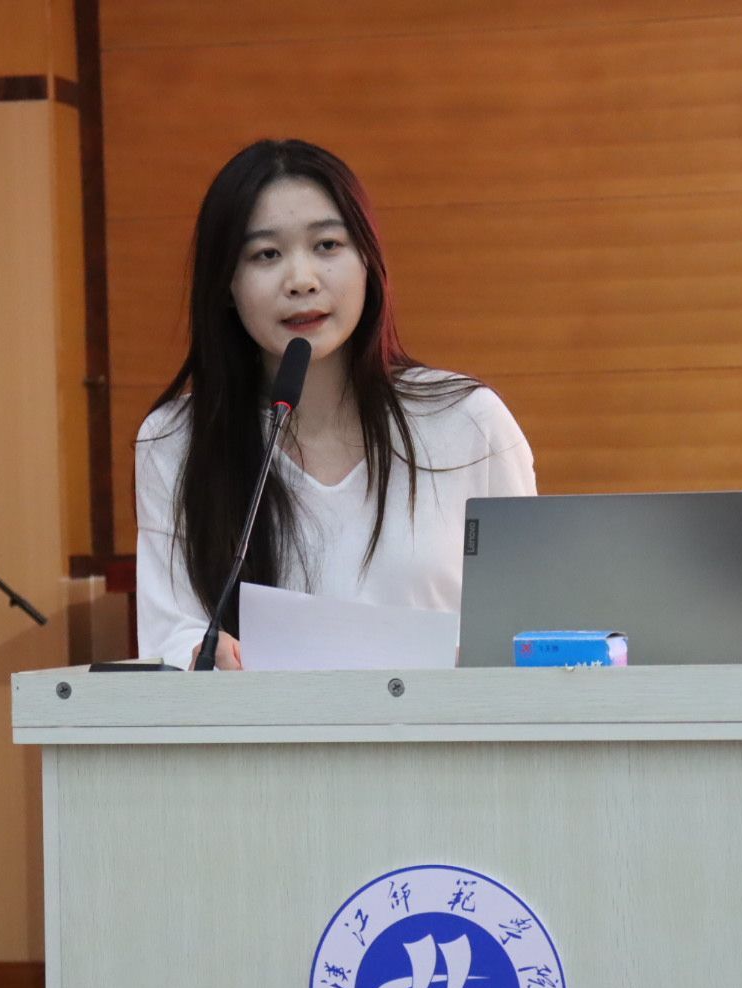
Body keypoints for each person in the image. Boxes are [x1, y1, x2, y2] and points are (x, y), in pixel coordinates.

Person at [135, 139, 536, 670]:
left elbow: (528, 629)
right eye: (266, 254)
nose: (301, 280)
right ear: (226, 284)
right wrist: (199, 657)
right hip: (264, 724)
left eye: (326, 245)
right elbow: (169, 631)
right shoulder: (176, 442)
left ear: (367, 260)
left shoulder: (467, 423)